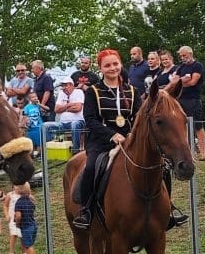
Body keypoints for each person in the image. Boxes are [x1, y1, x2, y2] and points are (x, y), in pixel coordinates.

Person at [72, 49, 187, 230]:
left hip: (129, 139)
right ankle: (86, 210)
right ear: (101, 68)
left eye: (115, 64)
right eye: (107, 65)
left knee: (162, 167)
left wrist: (132, 134)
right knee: (92, 167)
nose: (112, 68)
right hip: (101, 141)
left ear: (120, 65)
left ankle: (169, 209)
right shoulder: (93, 92)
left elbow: (139, 118)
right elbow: (91, 120)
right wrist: (111, 134)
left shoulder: (132, 91)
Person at [176, 46, 205, 160]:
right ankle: (189, 152)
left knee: (198, 126)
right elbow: (174, 80)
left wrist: (181, 82)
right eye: (181, 56)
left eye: (184, 55)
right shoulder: (181, 67)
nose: (183, 58)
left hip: (193, 99)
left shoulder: (197, 66)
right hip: (181, 99)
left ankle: (203, 152)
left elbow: (193, 82)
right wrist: (182, 80)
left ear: (190, 54)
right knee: (184, 126)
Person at [54, 78, 85, 153]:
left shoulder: (79, 92)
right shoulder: (61, 93)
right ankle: (53, 151)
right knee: (45, 126)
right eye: (63, 85)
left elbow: (78, 108)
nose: (64, 87)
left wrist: (63, 108)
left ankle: (75, 151)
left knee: (74, 124)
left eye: (65, 85)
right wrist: (68, 105)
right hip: (62, 122)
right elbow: (56, 109)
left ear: (71, 85)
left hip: (78, 121)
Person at [13, 182, 38, 254]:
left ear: (19, 191)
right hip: (33, 225)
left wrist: (17, 223)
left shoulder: (19, 202)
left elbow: (18, 216)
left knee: (28, 246)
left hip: (26, 227)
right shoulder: (31, 200)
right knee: (30, 244)